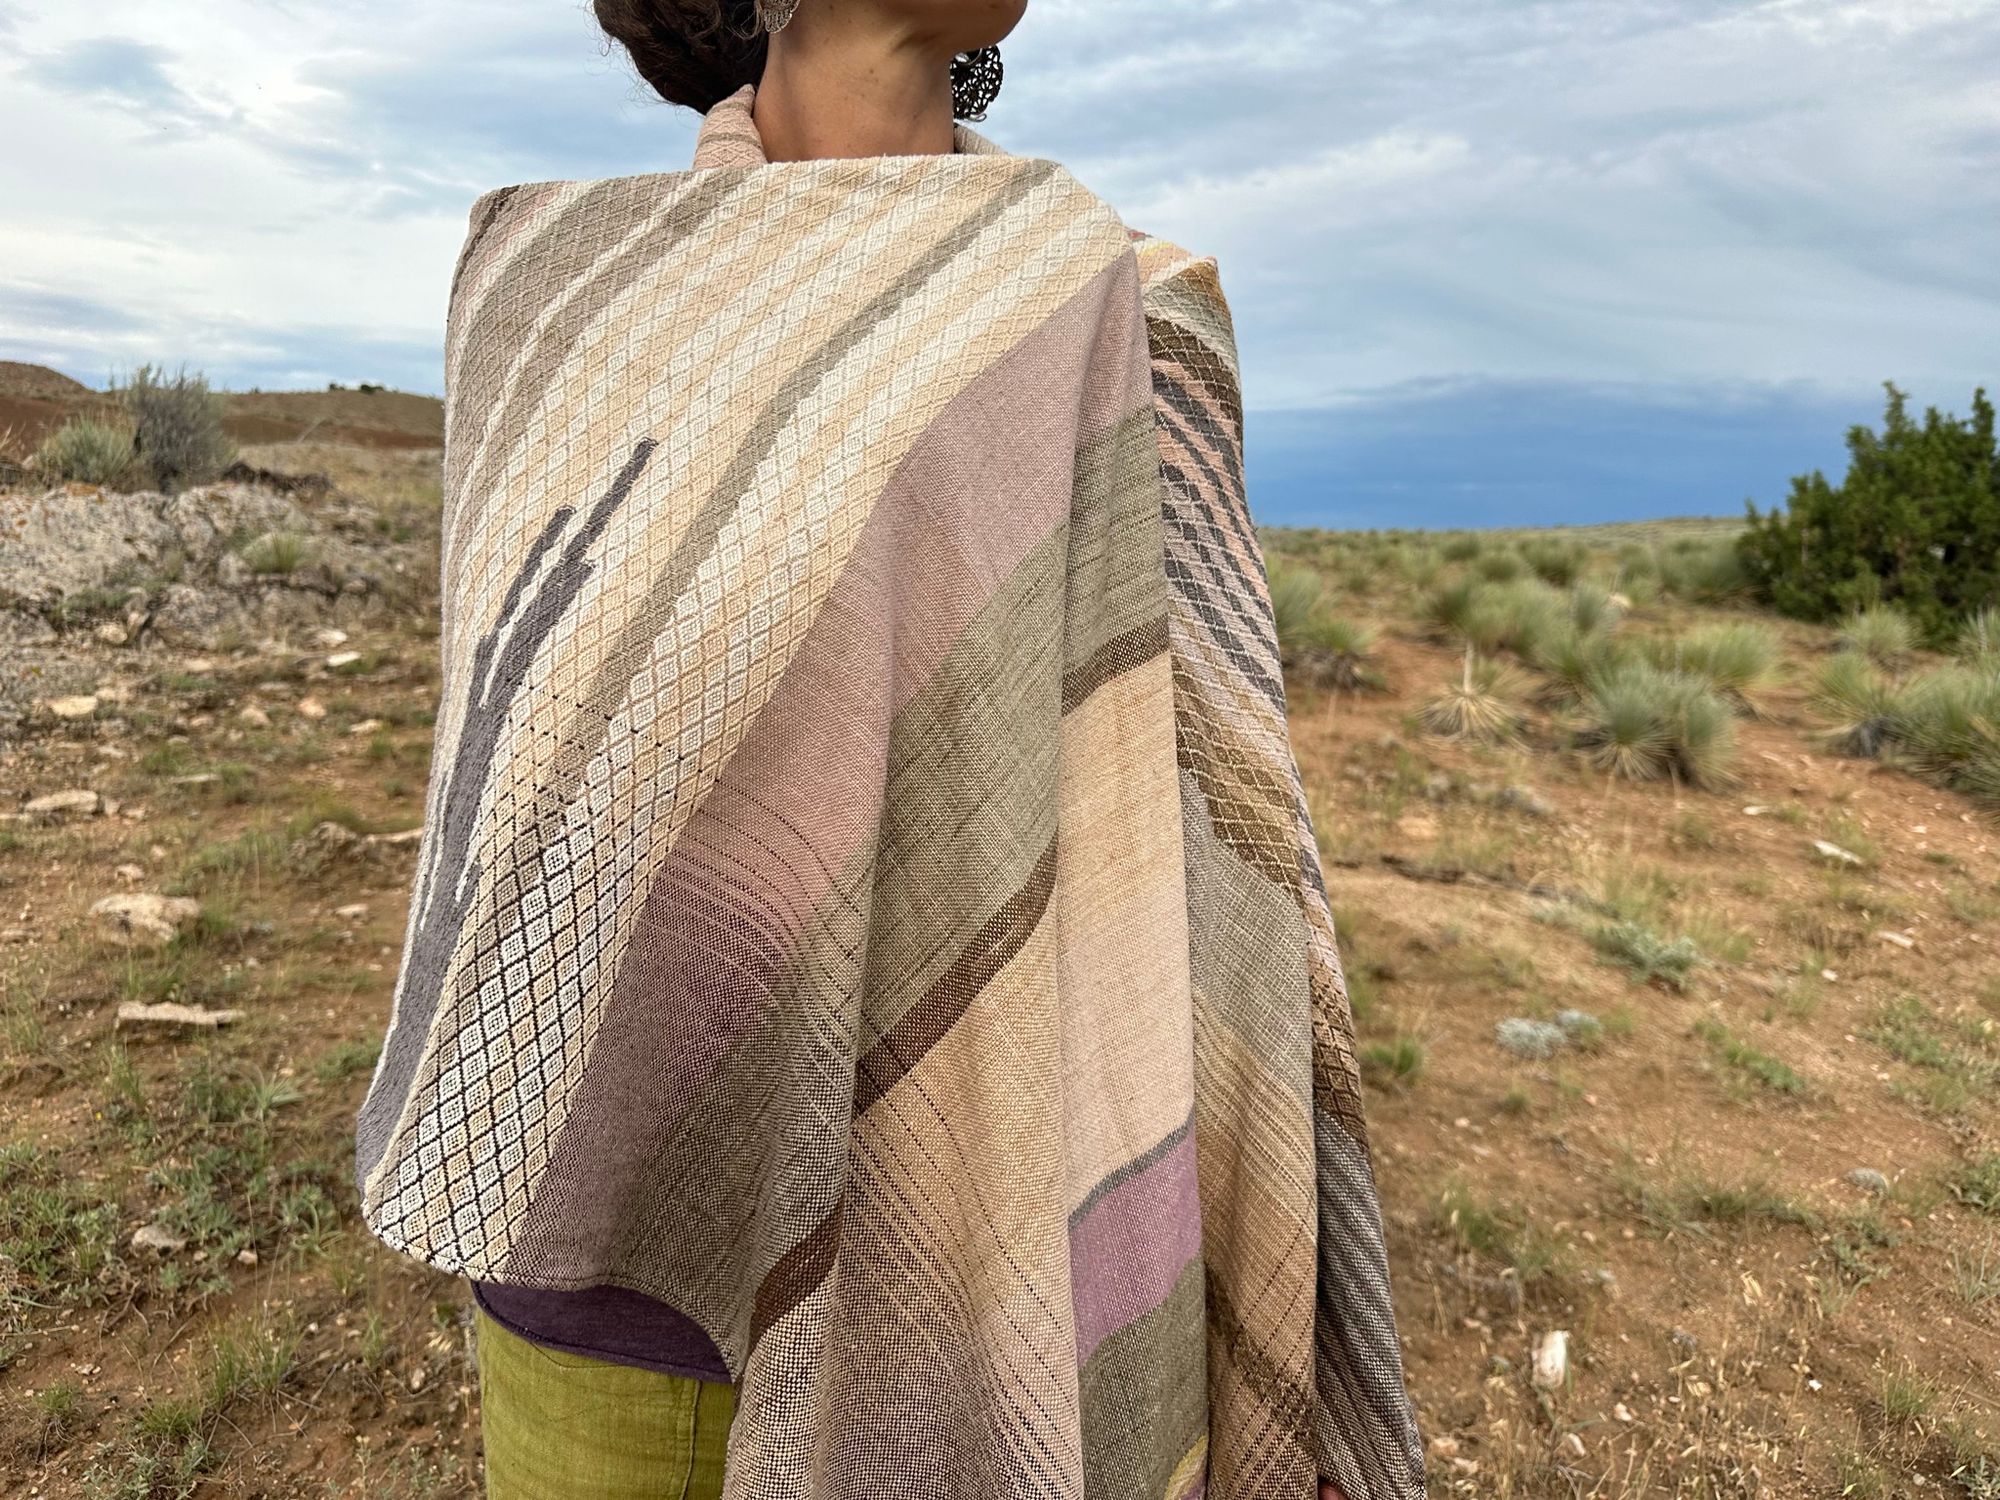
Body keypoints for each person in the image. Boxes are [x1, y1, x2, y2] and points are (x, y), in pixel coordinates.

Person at [352, 3, 1426, 1497]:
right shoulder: (552, 295)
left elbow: (1194, 818)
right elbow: (531, 790)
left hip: (996, 1230)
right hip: (608, 1278)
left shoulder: (1129, 313)